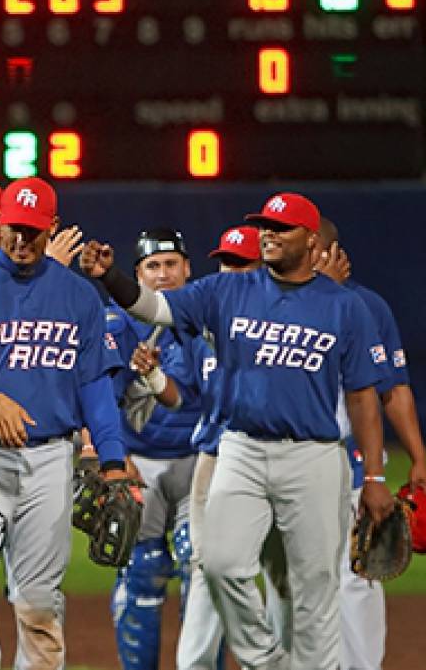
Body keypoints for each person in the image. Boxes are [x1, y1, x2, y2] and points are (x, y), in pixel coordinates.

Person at [81, 192, 396, 668]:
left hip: (312, 456)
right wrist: (110, 277)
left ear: (311, 242)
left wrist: (373, 477)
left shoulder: (344, 307)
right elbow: (155, 308)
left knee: (314, 586)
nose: (268, 233)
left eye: (281, 227)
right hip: (240, 449)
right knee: (221, 563)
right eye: (265, 225)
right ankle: (264, 661)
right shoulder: (228, 291)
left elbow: (363, 398)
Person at [0, 177, 129, 669]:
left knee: (38, 599)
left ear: (51, 228)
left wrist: (114, 459)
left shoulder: (79, 297)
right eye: (13, 228)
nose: (21, 240)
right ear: (0, 224)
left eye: (32, 232)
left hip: (48, 459)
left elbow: (95, 387)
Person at [262, 217, 426, 670]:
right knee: (283, 577)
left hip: (349, 462)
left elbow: (392, 388)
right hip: (276, 461)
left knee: (357, 574)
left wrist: (417, 458)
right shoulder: (265, 299)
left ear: (323, 248)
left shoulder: (365, 306)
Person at [105, 228, 205, 670]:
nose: (163, 274)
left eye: (171, 264)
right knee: (141, 572)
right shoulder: (117, 322)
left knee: (201, 570)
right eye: (152, 266)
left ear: (187, 268)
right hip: (139, 463)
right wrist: (109, 453)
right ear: (138, 275)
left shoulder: (210, 317)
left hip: (200, 463)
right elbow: (99, 393)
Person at [174, 225, 261, 670]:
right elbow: (183, 395)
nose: (231, 271)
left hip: (270, 456)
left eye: (242, 263)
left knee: (283, 578)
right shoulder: (202, 323)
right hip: (214, 456)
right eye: (226, 261)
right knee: (206, 566)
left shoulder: (278, 323)